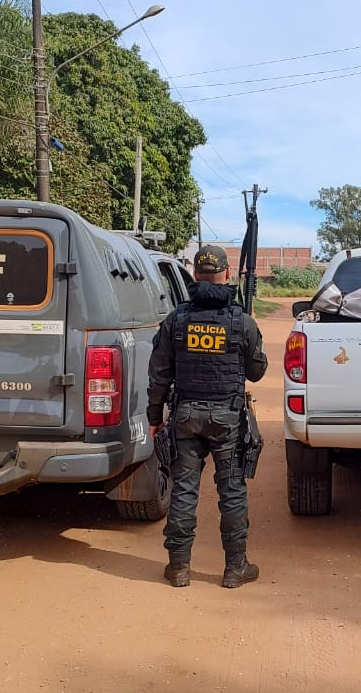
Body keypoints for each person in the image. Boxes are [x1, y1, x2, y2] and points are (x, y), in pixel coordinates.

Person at [147, 245, 268, 588]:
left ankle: (179, 568)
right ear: (227, 275)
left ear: (195, 276)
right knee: (232, 491)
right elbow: (257, 372)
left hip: (185, 416)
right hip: (227, 420)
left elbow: (158, 374)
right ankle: (235, 567)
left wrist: (155, 416)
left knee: (184, 490)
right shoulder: (241, 321)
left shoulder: (176, 319)